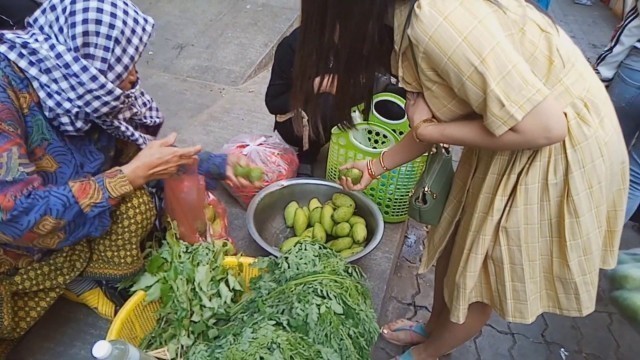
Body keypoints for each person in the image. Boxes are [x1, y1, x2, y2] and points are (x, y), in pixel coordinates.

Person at [293, 1, 628, 359]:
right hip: (515, 136)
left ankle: (427, 354)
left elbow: (546, 127)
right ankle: (433, 330)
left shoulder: (434, 20)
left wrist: (428, 127)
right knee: (455, 246)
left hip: (555, 154)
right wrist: (376, 166)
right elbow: (436, 119)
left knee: (478, 273)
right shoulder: (406, 22)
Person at [0, 0, 250, 354]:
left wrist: (214, 164)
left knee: (138, 206)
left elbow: (133, 147)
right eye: (124, 65)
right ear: (81, 61)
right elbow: (16, 215)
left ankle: (81, 272)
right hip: (14, 247)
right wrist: (128, 176)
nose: (133, 75)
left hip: (66, 214)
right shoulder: (7, 93)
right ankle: (62, 276)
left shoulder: (69, 78)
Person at [266, 26, 402, 176]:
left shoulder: (358, 42)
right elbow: (273, 102)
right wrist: (317, 85)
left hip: (344, 113)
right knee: (328, 101)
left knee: (391, 103)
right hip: (298, 122)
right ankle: (307, 156)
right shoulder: (293, 46)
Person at [595, 0, 640, 223]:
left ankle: (581, 229)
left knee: (605, 153)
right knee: (636, 178)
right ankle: (602, 247)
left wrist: (601, 74)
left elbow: (629, 28)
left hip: (635, 74)